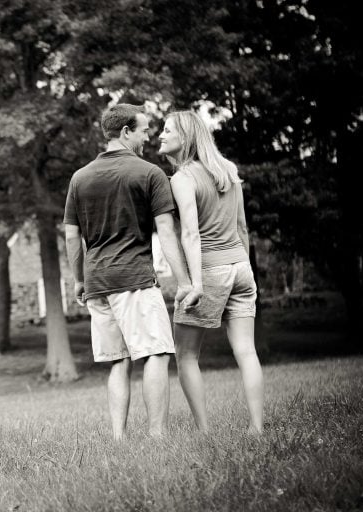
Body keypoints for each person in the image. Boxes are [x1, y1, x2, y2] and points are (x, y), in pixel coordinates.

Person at [64, 103, 196, 440]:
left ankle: (119, 439)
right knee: (155, 353)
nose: (148, 135)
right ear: (125, 132)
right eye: (143, 130)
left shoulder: (79, 178)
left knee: (118, 361)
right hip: (134, 278)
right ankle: (156, 436)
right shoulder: (148, 173)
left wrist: (79, 279)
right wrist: (184, 282)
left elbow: (71, 234)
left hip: (96, 282)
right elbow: (166, 231)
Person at [159, 110, 264, 434]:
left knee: (186, 355)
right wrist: (243, 268)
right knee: (246, 351)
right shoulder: (229, 170)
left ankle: (205, 431)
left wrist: (195, 284)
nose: (160, 135)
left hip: (209, 271)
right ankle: (256, 427)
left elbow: (190, 233)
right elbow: (243, 227)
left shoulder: (182, 179)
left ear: (185, 138)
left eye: (166, 130)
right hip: (240, 267)